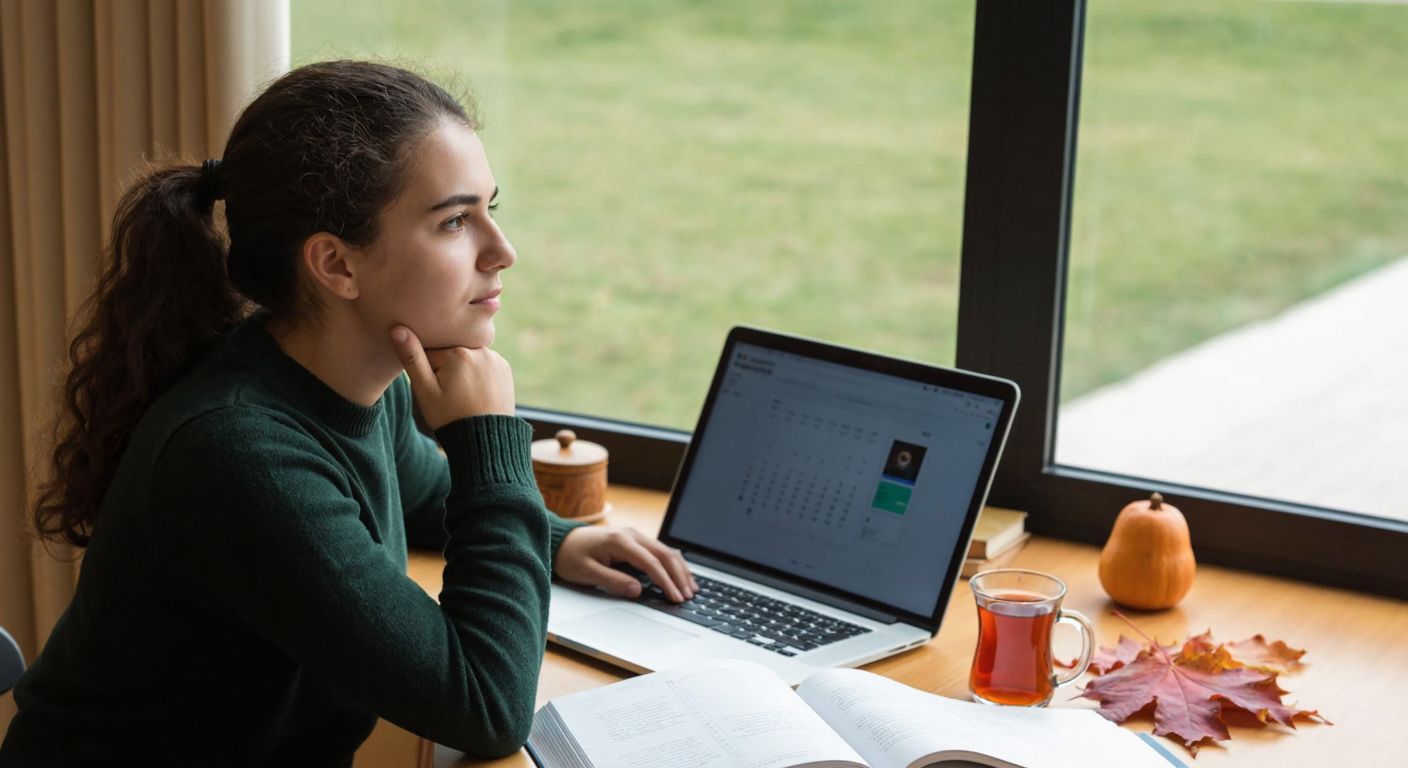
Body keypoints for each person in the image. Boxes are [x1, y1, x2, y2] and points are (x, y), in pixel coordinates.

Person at [0, 60, 697, 764]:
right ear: (336, 266)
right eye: (455, 220)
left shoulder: (355, 376)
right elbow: (486, 705)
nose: (503, 251)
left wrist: (559, 541)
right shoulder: (236, 455)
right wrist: (486, 436)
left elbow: (421, 494)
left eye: (493, 208)